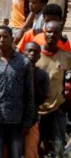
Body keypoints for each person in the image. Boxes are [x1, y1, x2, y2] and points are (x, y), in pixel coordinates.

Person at [0, 25, 36, 158]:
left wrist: (27, 122)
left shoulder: (24, 63)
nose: (2, 40)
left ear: (12, 39)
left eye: (5, 37)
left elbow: (29, 94)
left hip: (16, 121)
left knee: (15, 154)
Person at [34, 20, 71, 156]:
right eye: (49, 31)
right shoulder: (34, 54)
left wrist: (67, 100)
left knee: (57, 148)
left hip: (57, 108)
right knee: (34, 148)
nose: (52, 35)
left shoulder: (66, 57)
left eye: (55, 32)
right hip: (36, 110)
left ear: (60, 34)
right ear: (44, 32)